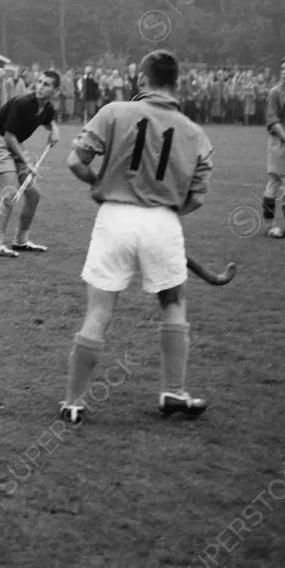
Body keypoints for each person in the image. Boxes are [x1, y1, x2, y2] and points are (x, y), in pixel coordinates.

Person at [61, 50, 213, 423]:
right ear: (174, 83)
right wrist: (164, 211)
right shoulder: (196, 133)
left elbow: (75, 161)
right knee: (173, 303)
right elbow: (196, 197)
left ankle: (74, 403)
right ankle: (173, 393)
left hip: (114, 217)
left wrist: (104, 184)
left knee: (99, 309)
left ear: (142, 80)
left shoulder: (114, 112)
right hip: (163, 223)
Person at [0, 70, 61, 258]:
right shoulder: (23, 103)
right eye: (39, 82)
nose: (41, 86)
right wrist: (26, 161)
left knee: (33, 194)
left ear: (55, 90)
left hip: (15, 143)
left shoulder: (47, 107)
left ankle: (21, 240)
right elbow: (9, 136)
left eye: (47, 84)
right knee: (10, 193)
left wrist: (54, 130)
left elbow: (50, 120)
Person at [260, 55, 285, 239]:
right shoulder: (275, 93)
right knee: (275, 182)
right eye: (283, 69)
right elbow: (272, 121)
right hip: (280, 141)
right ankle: (270, 226)